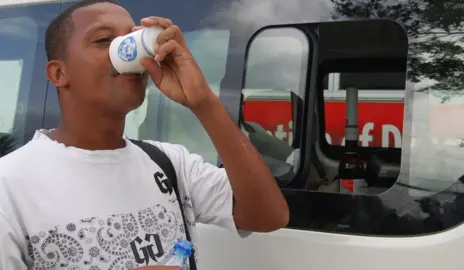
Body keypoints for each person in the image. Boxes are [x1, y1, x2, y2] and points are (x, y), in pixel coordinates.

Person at [0, 0, 289, 269]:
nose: (132, 52)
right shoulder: (10, 185)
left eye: (133, 38)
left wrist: (203, 102)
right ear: (58, 74)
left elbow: (268, 216)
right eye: (103, 40)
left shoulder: (169, 163)